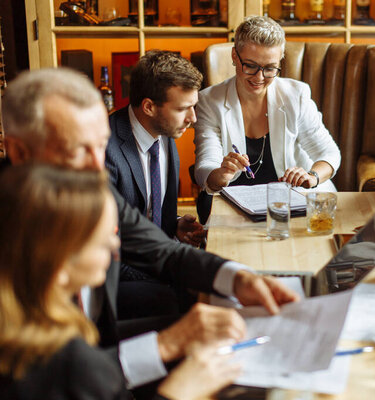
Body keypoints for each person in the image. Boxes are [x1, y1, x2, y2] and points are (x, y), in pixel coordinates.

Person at [1, 67, 300, 390]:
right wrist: (169, 355)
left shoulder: (88, 183)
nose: (97, 167)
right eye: (76, 149)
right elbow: (46, 381)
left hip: (96, 349)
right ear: (19, 151)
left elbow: (159, 249)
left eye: (101, 145)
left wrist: (238, 277)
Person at [0, 164, 240, 399]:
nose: (117, 245)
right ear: (59, 266)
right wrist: (179, 391)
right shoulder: (62, 360)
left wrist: (165, 346)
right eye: (103, 240)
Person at [193, 16, 341, 197]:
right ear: (234, 55)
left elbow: (329, 153)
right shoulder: (209, 101)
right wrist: (220, 175)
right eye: (250, 65)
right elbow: (204, 167)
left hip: (292, 199)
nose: (259, 78)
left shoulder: (296, 95)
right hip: (235, 202)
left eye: (270, 68)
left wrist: (312, 176)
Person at [105, 50, 205, 318]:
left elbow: (142, 210)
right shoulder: (105, 148)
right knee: (189, 298)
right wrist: (169, 276)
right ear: (149, 106)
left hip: (155, 257)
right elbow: (110, 246)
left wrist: (172, 224)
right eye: (183, 108)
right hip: (115, 273)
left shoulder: (164, 134)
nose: (192, 118)